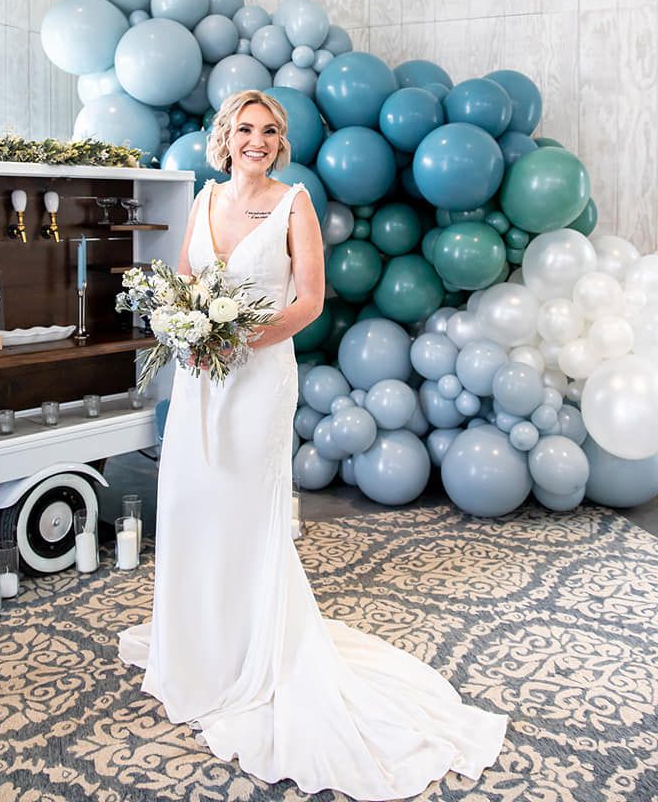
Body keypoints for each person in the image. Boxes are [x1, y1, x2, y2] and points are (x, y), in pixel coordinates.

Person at [119, 90, 507, 799]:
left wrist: (234, 340)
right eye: (245, 129)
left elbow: (308, 300)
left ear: (280, 141)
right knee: (193, 504)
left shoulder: (294, 202)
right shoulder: (204, 201)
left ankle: (253, 652)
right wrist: (186, 332)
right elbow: (183, 283)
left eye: (268, 131)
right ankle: (200, 643)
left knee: (243, 509)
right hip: (201, 378)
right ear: (225, 138)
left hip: (258, 377)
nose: (256, 141)